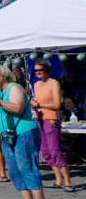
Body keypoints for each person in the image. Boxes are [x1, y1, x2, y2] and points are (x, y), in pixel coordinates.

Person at [0, 65, 52, 199]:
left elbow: (17, 108)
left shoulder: (14, 88)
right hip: (7, 135)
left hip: (24, 132)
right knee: (14, 168)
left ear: (3, 75)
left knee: (27, 166)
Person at [31, 63, 73, 192]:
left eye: (41, 70)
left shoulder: (54, 83)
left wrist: (39, 104)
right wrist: (34, 104)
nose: (38, 72)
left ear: (47, 70)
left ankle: (67, 181)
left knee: (54, 150)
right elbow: (37, 101)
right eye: (36, 70)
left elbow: (56, 104)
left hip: (51, 119)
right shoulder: (36, 85)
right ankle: (58, 178)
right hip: (40, 119)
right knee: (45, 152)